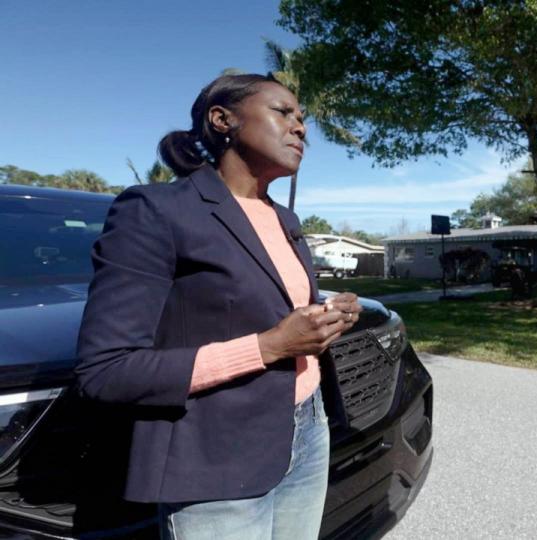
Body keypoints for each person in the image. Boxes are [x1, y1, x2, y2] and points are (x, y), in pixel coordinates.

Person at [76, 73, 362, 539]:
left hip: (308, 430)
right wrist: (269, 347)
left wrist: (327, 315)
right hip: (216, 454)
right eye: (283, 112)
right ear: (222, 119)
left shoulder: (284, 218)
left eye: (303, 119)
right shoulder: (156, 210)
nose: (301, 128)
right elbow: (107, 370)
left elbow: (265, 306)